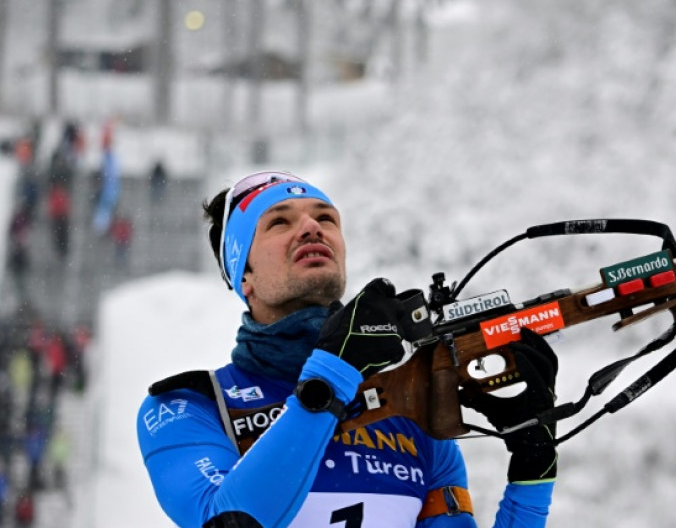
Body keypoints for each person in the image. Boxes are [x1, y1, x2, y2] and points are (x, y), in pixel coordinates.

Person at [137, 172, 559, 528]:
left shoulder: (408, 410)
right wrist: (333, 372)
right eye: (279, 222)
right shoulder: (189, 407)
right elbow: (229, 521)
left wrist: (532, 472)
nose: (311, 227)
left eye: (326, 218)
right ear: (243, 273)